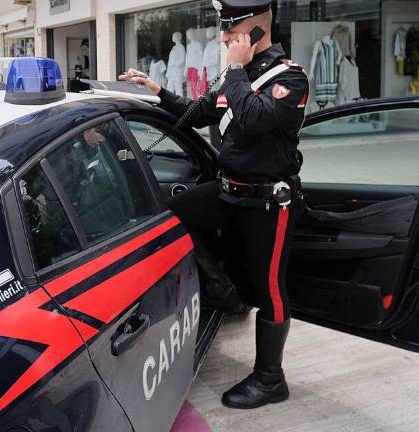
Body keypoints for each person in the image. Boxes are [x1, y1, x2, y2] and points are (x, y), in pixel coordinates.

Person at [119, 0, 309, 410]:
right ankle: (222, 292)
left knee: (270, 290)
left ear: (257, 29)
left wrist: (237, 70)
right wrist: (156, 91)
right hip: (227, 192)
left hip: (266, 203)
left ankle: (270, 378)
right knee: (170, 217)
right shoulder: (238, 76)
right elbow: (200, 113)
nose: (224, 38)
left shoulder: (290, 78)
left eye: (232, 31)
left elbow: (255, 117)